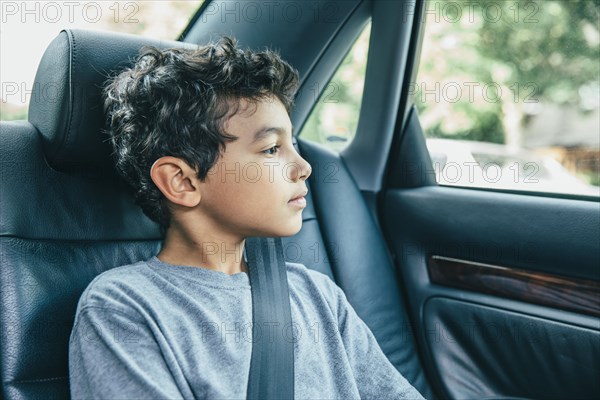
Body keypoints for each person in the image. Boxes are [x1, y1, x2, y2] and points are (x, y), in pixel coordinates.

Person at [68, 36, 425, 400]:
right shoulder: (124, 309)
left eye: (294, 147)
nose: (303, 167)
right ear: (182, 181)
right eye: (272, 149)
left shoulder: (316, 295)